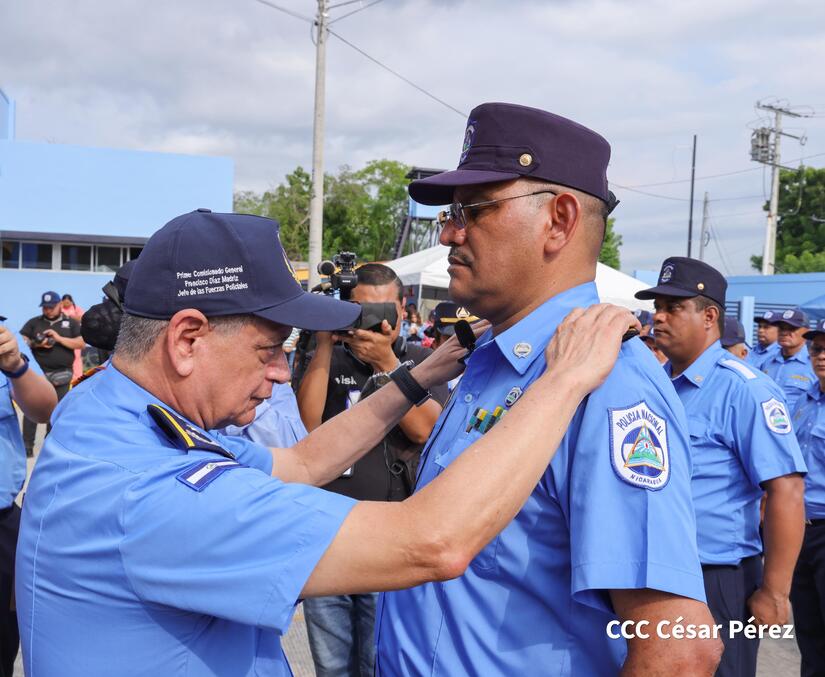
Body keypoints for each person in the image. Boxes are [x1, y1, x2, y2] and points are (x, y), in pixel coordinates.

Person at [15, 209, 635, 677]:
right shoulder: (151, 492)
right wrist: (565, 379)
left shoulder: (109, 409)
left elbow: (302, 462)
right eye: (269, 351)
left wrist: (416, 376)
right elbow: (431, 543)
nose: (283, 374)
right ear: (186, 339)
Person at [375, 103, 721, 676]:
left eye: (472, 210)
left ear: (558, 221)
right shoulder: (491, 359)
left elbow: (679, 647)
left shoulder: (607, 382)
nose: (448, 233)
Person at [636, 257, 806, 677]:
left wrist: (775, 590)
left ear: (709, 316)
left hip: (718, 578)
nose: (658, 315)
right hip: (654, 573)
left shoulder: (744, 390)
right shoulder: (655, 385)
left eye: (673, 307)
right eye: (658, 305)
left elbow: (785, 489)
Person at [295, 263, 448, 677]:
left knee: (378, 660)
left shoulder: (423, 361)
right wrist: (325, 344)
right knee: (330, 664)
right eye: (359, 310)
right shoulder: (326, 358)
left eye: (381, 311)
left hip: (390, 536)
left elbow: (424, 432)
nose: (371, 322)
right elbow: (307, 426)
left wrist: (386, 363)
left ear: (403, 308)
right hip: (328, 532)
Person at [0, 320, 57, 676]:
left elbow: (44, 408)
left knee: (4, 640)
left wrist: (15, 366)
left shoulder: (6, 352)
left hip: (3, 520)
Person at [789, 319, 825, 676]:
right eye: (816, 348)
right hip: (800, 530)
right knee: (809, 635)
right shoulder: (804, 399)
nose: (822, 356)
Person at [18, 291, 84, 456]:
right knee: (32, 410)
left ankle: (50, 447)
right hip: (39, 374)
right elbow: (25, 338)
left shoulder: (71, 323)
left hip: (63, 374)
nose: (47, 310)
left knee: (57, 412)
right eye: (45, 307)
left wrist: (58, 338)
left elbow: (81, 343)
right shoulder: (34, 323)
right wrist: (37, 343)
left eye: (51, 307)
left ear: (59, 305)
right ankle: (27, 447)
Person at [762, 308, 816, 411]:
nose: (785, 333)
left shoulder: (814, 366)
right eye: (782, 328)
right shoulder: (767, 362)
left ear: (806, 332)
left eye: (792, 328)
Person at [61, 293, 85, 380]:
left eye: (68, 302)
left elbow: (82, 318)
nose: (66, 304)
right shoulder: (59, 309)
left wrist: (71, 317)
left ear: (71, 302)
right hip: (63, 337)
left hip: (75, 337)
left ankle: (77, 377)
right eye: (64, 302)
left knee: (76, 357)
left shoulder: (76, 308)